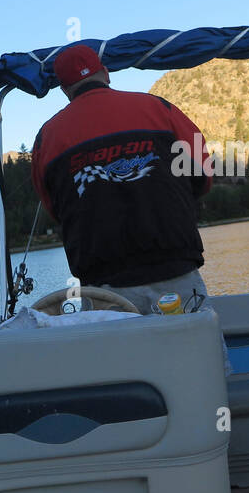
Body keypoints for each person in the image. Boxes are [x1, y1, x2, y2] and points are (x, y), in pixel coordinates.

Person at [31, 44, 215, 315]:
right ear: (105, 73)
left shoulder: (47, 136)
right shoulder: (159, 108)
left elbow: (55, 208)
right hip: (176, 271)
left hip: (104, 288)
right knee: (195, 353)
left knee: (117, 358)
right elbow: (203, 174)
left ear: (64, 89)